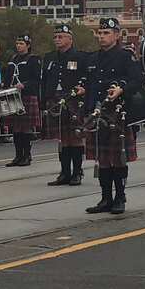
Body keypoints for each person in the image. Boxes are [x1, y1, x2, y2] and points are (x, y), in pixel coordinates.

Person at [82, 17, 145, 215]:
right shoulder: (92, 58)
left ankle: (120, 197)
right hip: (98, 112)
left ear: (117, 35)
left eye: (106, 33)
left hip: (119, 113)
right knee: (102, 158)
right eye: (100, 34)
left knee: (118, 159)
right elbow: (90, 84)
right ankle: (105, 198)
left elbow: (137, 81)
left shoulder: (125, 57)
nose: (102, 37)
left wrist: (122, 88)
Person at [42, 23, 89, 185]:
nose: (57, 39)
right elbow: (45, 81)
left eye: (60, 36)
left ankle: (77, 172)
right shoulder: (49, 57)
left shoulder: (80, 56)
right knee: (62, 139)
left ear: (70, 39)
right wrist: (44, 101)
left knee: (75, 138)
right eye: (55, 37)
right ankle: (64, 173)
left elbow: (87, 78)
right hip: (55, 100)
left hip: (74, 100)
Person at [3, 35, 43, 167]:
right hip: (14, 96)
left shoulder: (33, 59)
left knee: (26, 128)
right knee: (15, 128)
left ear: (28, 45)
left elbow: (37, 79)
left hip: (27, 95)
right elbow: (8, 77)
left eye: (21, 43)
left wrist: (24, 85)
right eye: (17, 43)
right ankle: (18, 155)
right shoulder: (13, 59)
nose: (18, 45)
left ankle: (27, 156)